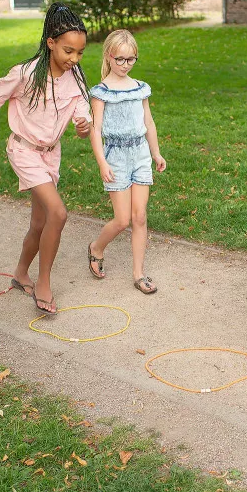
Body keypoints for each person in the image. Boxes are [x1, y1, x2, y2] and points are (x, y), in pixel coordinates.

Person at [0, 3, 93, 314]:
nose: (74, 59)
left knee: (40, 223)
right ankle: (44, 282)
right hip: (24, 150)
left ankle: (20, 274)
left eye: (80, 53)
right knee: (58, 213)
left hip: (50, 156)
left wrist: (84, 126)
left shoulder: (76, 78)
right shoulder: (26, 73)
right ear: (51, 43)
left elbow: (82, 122)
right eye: (68, 51)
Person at [85, 29, 167, 294]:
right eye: (119, 59)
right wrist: (102, 162)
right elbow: (95, 130)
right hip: (116, 157)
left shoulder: (140, 88)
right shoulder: (101, 92)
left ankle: (139, 274)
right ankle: (97, 247)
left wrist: (156, 153)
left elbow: (148, 122)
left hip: (140, 154)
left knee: (139, 216)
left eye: (130, 59)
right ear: (109, 56)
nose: (125, 64)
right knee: (122, 220)